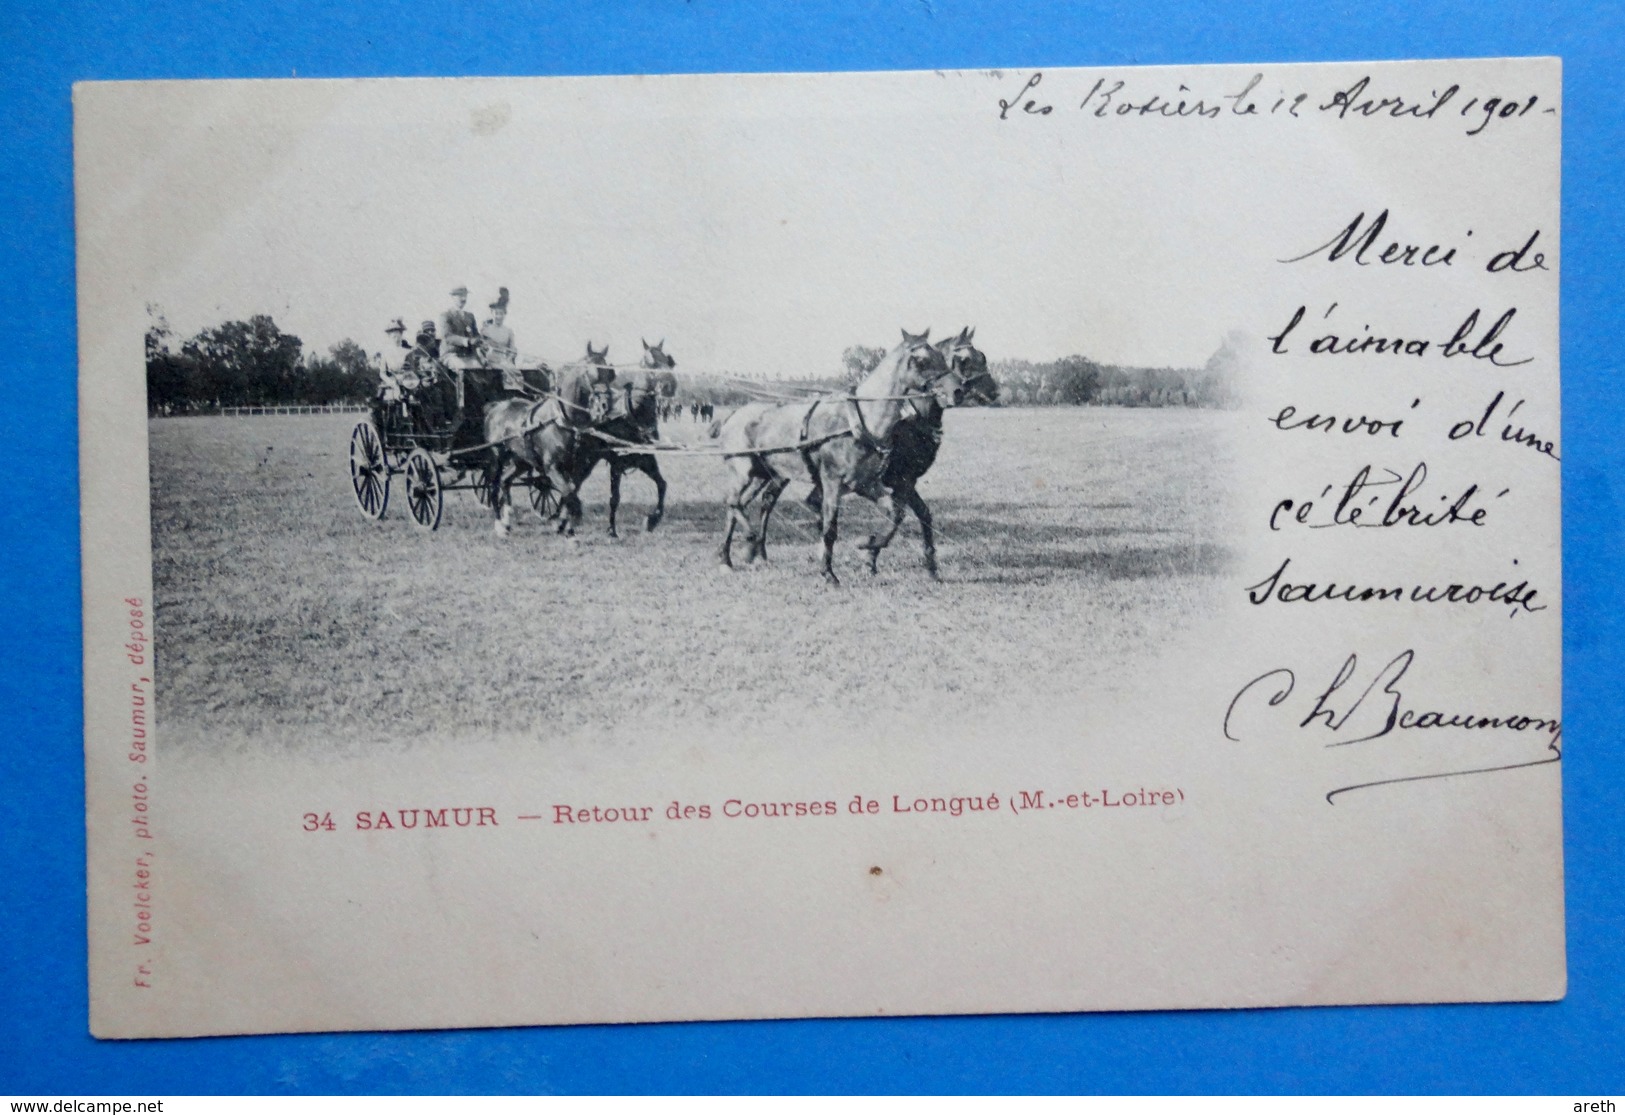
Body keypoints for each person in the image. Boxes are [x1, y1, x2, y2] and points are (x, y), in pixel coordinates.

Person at [481, 287, 528, 393]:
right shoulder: (485, 330)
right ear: (492, 313)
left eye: (501, 313)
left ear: (504, 314)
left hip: (504, 360)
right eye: (496, 313)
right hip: (490, 360)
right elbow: (482, 348)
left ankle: (515, 393)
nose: (498, 316)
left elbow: (512, 349)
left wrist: (508, 359)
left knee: (514, 371)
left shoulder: (509, 331)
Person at [438, 285, 483, 371]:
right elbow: (448, 336)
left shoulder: (470, 316)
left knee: (479, 370)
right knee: (462, 367)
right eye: (460, 295)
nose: (463, 299)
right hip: (451, 354)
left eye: (465, 296)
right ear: (453, 297)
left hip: (469, 356)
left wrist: (479, 339)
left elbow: (476, 334)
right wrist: (467, 341)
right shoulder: (446, 315)